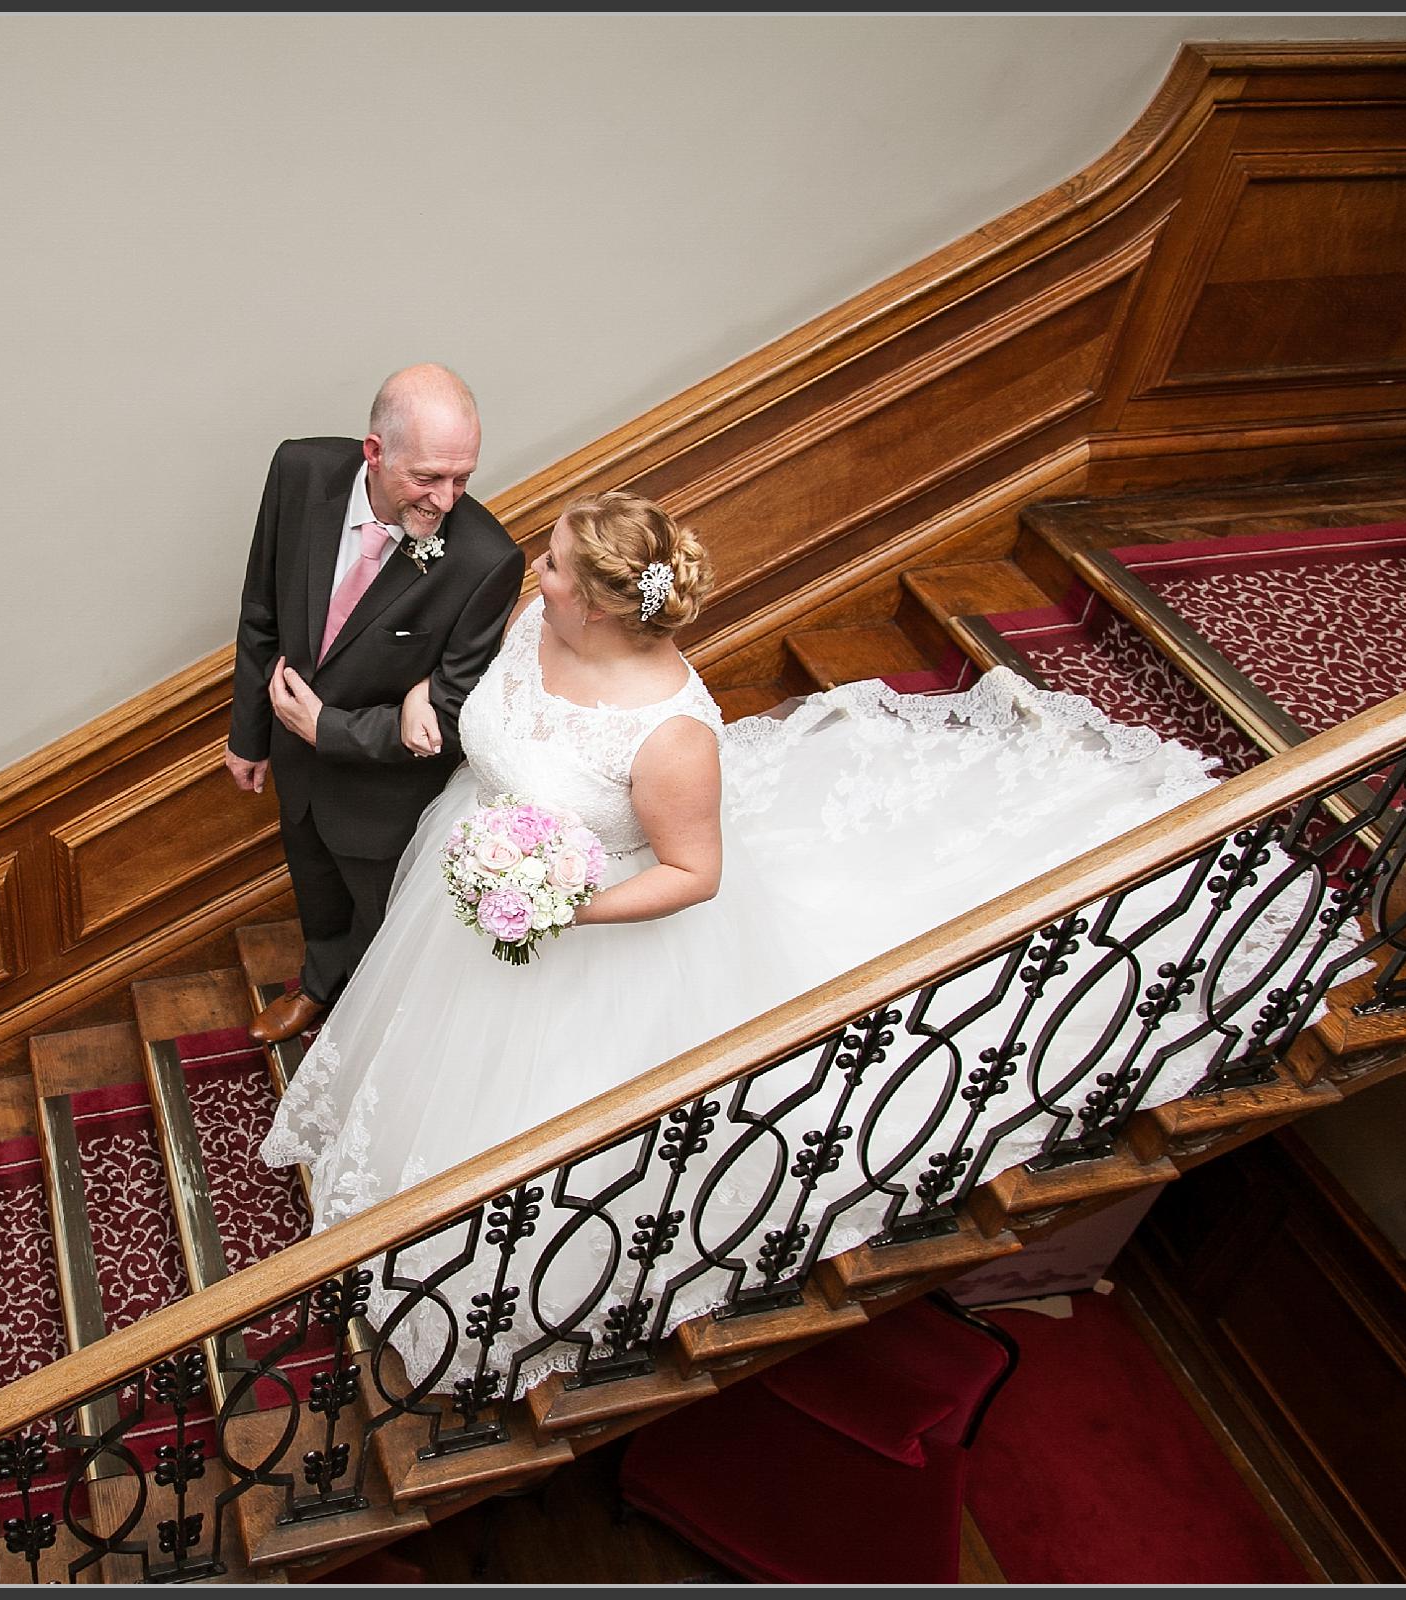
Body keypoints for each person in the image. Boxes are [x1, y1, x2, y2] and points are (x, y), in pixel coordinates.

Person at [260, 490, 1337, 1400]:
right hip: (482, 862)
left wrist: (561, 910)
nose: (530, 573)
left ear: (597, 600)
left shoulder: (672, 733)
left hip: (585, 928)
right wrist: (420, 707)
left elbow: (694, 875)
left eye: (551, 567)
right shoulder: (537, 624)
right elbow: (484, 704)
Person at [226, 365, 526, 1046]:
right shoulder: (298, 472)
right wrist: (249, 733)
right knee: (314, 888)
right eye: (427, 478)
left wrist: (328, 728)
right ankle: (318, 985)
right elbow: (261, 610)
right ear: (374, 451)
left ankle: (372, 1033)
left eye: (462, 478)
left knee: (378, 915)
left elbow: (453, 719)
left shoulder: (486, 559)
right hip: (293, 764)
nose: (446, 500)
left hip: (383, 794)